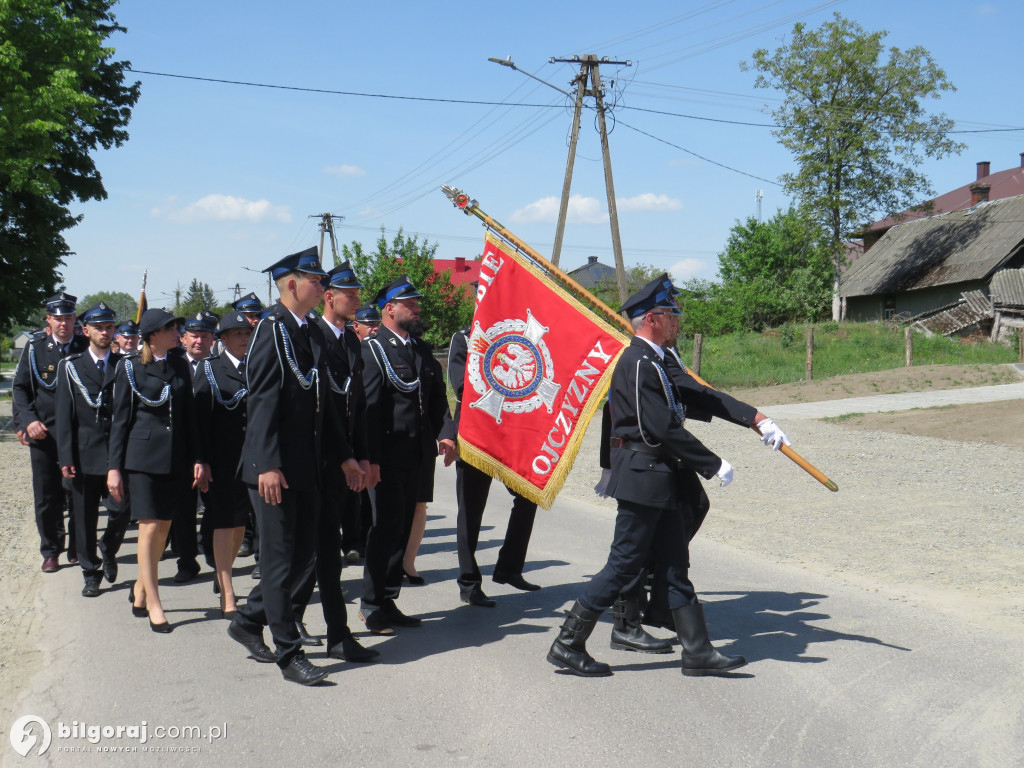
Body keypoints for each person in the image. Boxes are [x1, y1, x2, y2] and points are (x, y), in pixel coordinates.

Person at [546, 276, 786, 677]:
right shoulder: (637, 362)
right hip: (643, 477)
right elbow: (657, 426)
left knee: (675, 565)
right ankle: (568, 642)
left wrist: (755, 419)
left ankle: (697, 651)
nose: (678, 321)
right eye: (672, 315)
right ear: (653, 318)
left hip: (662, 478)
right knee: (622, 566)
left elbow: (693, 399)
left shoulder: (657, 361)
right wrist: (711, 463)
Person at [225, 246, 362, 686]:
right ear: (291, 284)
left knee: (304, 557)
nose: (322, 288)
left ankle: (248, 620)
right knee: (281, 561)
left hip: (306, 465)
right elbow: (262, 398)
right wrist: (266, 462)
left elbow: (323, 405)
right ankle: (289, 654)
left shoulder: (307, 331)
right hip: (274, 468)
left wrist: (344, 455)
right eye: (316, 281)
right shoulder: (272, 328)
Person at [290, 261, 377, 662]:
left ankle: (334, 633)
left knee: (328, 552)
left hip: (345, 462)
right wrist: (343, 457)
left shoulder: (352, 342)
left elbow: (355, 407)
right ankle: (273, 616)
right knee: (315, 551)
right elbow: (318, 411)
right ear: (329, 297)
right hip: (321, 462)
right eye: (351, 294)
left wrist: (363, 456)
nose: (358, 300)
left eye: (359, 294)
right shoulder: (314, 337)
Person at [359, 275, 454, 635]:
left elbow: (436, 400)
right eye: (410, 304)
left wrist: (446, 434)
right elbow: (368, 409)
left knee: (401, 529)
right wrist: (370, 458)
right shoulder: (373, 350)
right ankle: (371, 604)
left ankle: (387, 598)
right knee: (384, 529)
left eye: (416, 303)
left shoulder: (420, 350)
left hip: (417, 454)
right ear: (389, 309)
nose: (416, 309)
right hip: (386, 455)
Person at [107, 308, 209, 634]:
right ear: (153, 334)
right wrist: (114, 468)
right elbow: (120, 421)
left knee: (164, 529)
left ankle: (139, 589)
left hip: (176, 459)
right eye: (171, 328)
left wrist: (197, 456)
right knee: (150, 529)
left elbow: (190, 417)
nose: (177, 332)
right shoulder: (130, 367)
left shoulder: (179, 364)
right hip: (142, 461)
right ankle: (154, 601)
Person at [445, 325, 541, 608]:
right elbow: (461, 384)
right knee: (471, 511)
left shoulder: (515, 336)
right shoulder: (462, 337)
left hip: (509, 433)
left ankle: (509, 568)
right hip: (476, 433)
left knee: (528, 496)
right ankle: (469, 583)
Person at [54, 302, 129, 597]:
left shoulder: (125, 363)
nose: (105, 332)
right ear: (85, 331)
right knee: (83, 518)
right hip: (84, 454)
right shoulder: (71, 367)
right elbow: (64, 416)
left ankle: (108, 549)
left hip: (118, 453)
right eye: (99, 327)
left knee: (123, 511)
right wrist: (66, 457)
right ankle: (90, 571)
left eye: (110, 327)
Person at [13, 292, 88, 572]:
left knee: (78, 491)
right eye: (58, 318)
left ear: (74, 319)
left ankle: (78, 546)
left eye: (68, 317)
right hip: (45, 433)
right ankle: (51, 549)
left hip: (80, 434)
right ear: (49, 320)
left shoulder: (85, 346)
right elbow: (21, 388)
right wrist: (26, 421)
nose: (63, 323)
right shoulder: (35, 348)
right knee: (47, 495)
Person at [193, 312, 253, 618]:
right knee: (223, 521)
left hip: (252, 457)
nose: (244, 339)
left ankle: (224, 573)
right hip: (222, 458)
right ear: (224, 339)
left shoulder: (256, 366)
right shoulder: (209, 369)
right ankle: (227, 590)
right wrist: (201, 459)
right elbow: (200, 420)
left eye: (247, 333)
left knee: (240, 524)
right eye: (237, 334)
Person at [171, 309, 219, 583]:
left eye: (204, 335)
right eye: (193, 335)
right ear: (183, 338)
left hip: (214, 447)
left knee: (215, 507)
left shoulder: (220, 365)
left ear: (212, 339)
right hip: (182, 449)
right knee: (183, 509)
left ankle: (214, 556)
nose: (199, 341)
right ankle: (187, 560)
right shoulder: (173, 365)